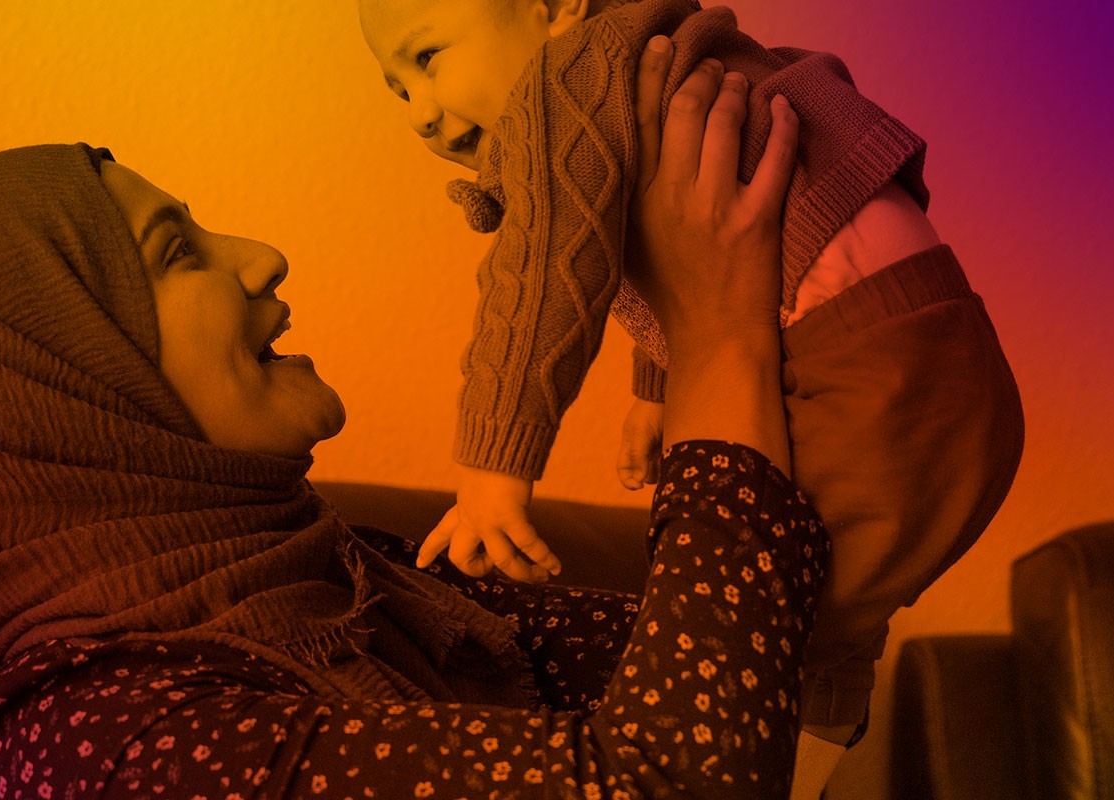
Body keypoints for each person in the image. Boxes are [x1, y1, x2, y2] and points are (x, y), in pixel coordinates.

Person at [0, 59, 827, 799]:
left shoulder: (347, 588)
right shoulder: (114, 746)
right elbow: (678, 780)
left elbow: (741, 659)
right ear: (62, 400)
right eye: (175, 252)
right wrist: (715, 328)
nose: (260, 252)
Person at [356, 0, 1026, 751]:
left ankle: (785, 773)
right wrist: (658, 389)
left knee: (748, 639)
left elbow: (541, 270)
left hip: (857, 377)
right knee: (816, 628)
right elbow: (676, 231)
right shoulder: (664, 55)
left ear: (555, 9)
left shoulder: (561, 82)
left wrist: (490, 470)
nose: (417, 112)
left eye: (427, 58)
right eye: (396, 90)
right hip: (937, 350)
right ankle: (807, 768)